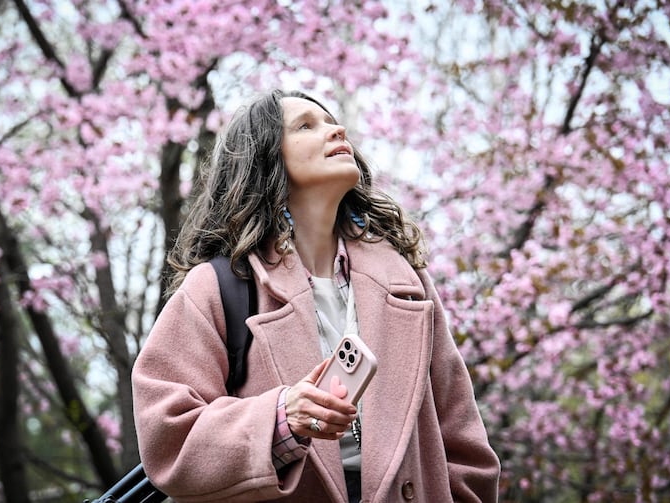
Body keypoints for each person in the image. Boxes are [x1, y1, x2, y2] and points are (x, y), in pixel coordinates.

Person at [132, 89, 500, 502]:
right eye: (307, 125)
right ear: (267, 160)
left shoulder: (407, 283)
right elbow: (167, 436)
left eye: (333, 121)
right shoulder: (218, 287)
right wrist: (281, 419)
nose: (336, 129)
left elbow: (465, 447)